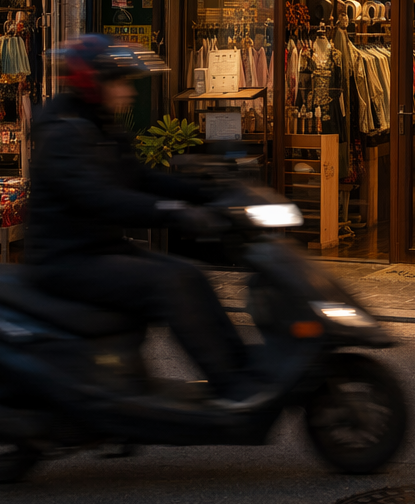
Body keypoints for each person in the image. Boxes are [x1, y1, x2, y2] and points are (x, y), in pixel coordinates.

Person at [27, 35, 262, 408]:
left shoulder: (100, 127)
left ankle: (239, 372)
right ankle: (232, 388)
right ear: (94, 84)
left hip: (98, 249)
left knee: (191, 274)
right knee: (171, 282)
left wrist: (211, 194)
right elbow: (103, 199)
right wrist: (174, 212)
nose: (128, 93)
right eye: (119, 83)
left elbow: (140, 178)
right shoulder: (64, 135)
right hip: (67, 260)